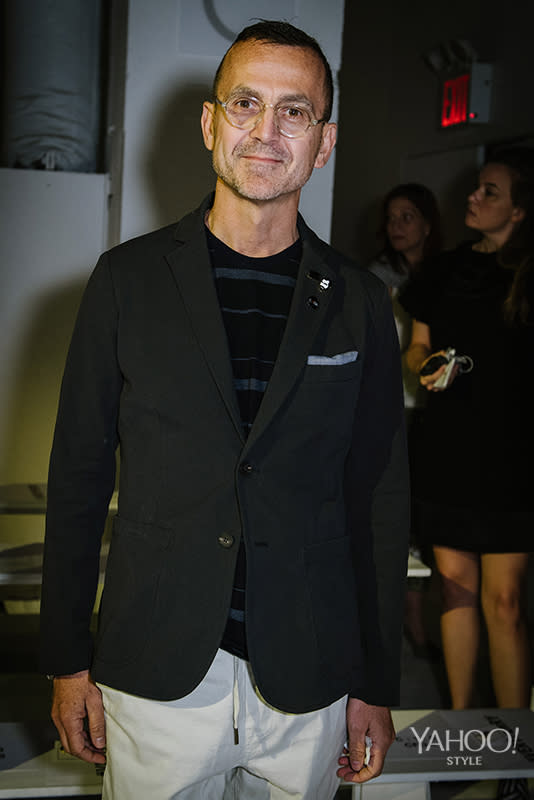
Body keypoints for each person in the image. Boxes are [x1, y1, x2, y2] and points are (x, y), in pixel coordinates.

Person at [39, 20, 410, 799]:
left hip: (309, 672)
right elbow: (76, 478)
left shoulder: (361, 303)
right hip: (157, 669)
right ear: (211, 124)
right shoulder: (125, 282)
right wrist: (67, 658)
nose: (267, 132)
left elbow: (378, 496)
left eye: (294, 111)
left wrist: (376, 680)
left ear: (325, 140)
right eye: (246, 104)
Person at [400, 148, 534, 799]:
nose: (474, 198)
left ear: (520, 208)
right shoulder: (442, 271)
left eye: (490, 190)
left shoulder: (531, 275)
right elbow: (416, 347)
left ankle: (513, 749)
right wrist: (423, 368)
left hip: (513, 456)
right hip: (447, 448)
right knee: (453, 591)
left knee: (503, 603)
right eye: (477, 188)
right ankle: (463, 741)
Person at [368, 183, 442, 659]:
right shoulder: (373, 276)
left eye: (407, 217)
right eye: (392, 217)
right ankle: (396, 621)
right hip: (389, 405)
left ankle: (415, 618)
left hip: (434, 408)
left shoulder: (447, 274)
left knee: (422, 511)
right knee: (391, 506)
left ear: (428, 223)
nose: (397, 226)